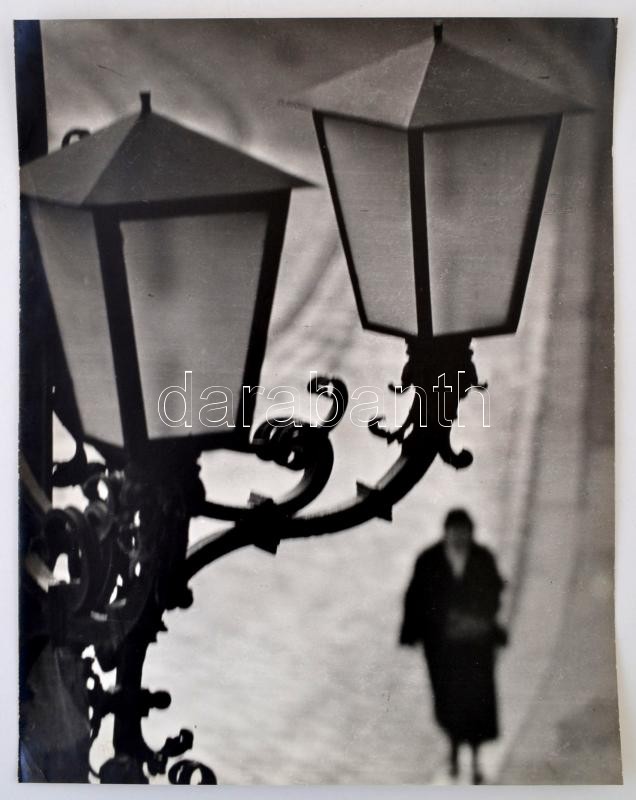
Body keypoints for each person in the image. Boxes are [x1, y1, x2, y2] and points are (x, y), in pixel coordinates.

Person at [399, 509, 507, 784]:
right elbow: (415, 598)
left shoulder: (482, 558)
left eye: (463, 532)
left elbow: (494, 593)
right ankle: (454, 752)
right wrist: (412, 632)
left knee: (477, 701)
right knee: (448, 701)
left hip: (475, 646)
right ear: (445, 533)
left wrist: (475, 618)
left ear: (471, 533)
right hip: (442, 649)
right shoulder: (429, 560)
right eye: (454, 532)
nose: (459, 537)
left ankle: (475, 759)